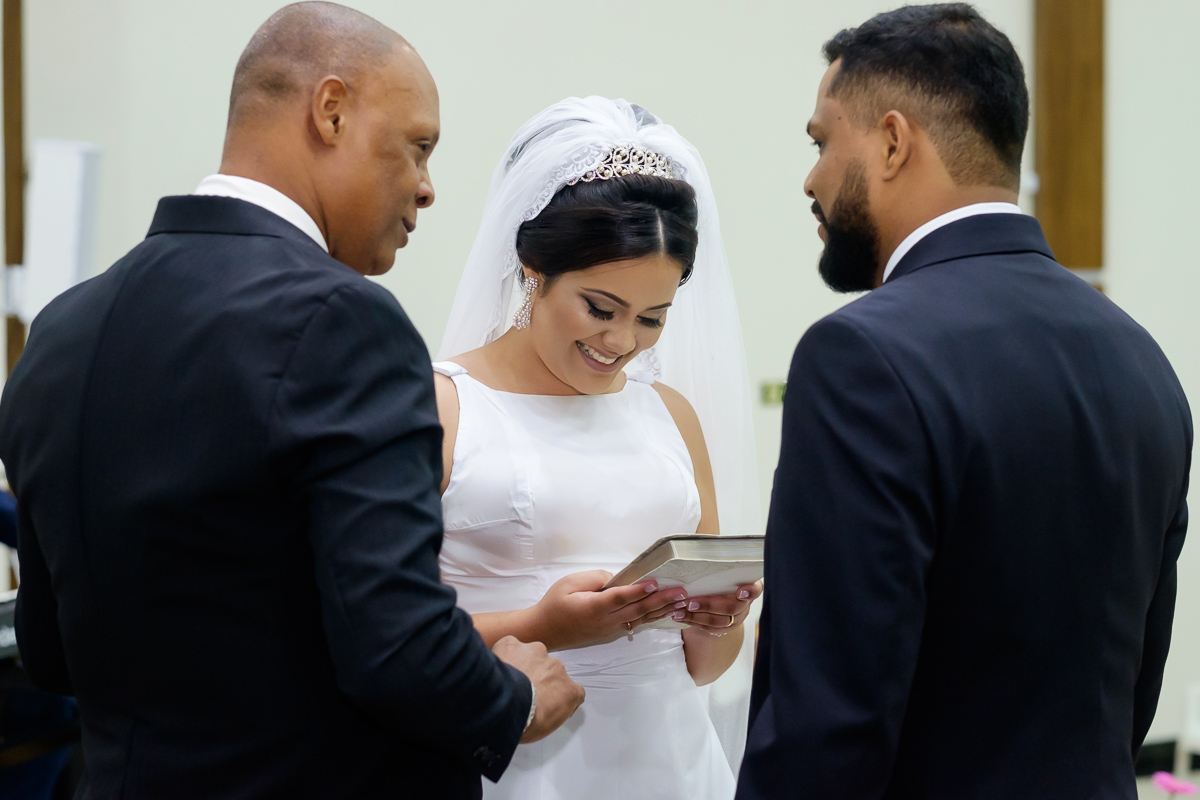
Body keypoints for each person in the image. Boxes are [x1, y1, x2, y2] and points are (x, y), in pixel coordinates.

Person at [0, 4, 583, 798]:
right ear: (331, 110)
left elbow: (50, 648)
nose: (426, 188)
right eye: (418, 146)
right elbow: (397, 645)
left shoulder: (62, 331)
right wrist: (514, 698)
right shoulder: (342, 320)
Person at [738, 5, 1191, 799]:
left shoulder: (862, 356)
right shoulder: (1139, 357)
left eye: (820, 141)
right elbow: (1129, 690)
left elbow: (829, 723)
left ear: (890, 141)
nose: (809, 177)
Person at [432, 97, 762, 799]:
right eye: (600, 308)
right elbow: (382, 634)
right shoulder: (444, 404)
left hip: (669, 763)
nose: (621, 343)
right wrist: (540, 627)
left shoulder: (670, 415)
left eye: (652, 319)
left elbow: (704, 668)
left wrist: (719, 619)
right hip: (516, 758)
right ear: (533, 266)